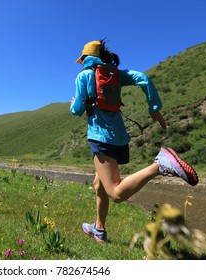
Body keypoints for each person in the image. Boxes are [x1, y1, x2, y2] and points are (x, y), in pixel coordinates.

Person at [70, 39, 199, 243]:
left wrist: (73, 105)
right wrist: (154, 109)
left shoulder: (84, 76)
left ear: (85, 58)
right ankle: (99, 229)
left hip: (100, 137)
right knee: (99, 184)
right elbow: (143, 78)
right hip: (120, 138)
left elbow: (77, 110)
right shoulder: (116, 74)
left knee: (115, 192)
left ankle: (159, 165)